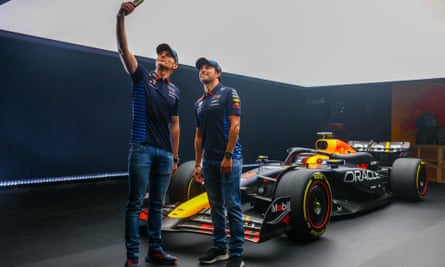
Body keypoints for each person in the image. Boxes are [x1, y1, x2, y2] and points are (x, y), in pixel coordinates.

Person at [116, 2, 180, 267]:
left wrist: (175, 157)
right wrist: (120, 16)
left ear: (175, 64)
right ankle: (132, 257)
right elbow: (123, 49)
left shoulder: (175, 91)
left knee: (157, 206)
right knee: (134, 205)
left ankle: (155, 250)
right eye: (160, 53)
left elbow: (175, 125)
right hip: (141, 148)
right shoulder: (142, 76)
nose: (162, 56)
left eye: (168, 55)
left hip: (165, 154)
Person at [193, 57, 245, 267]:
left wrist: (228, 156)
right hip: (209, 162)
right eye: (201, 69)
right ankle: (219, 248)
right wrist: (198, 164)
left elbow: (235, 126)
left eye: (208, 68)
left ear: (218, 73)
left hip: (229, 161)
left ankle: (236, 255)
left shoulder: (228, 93)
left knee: (232, 206)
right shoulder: (199, 103)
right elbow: (198, 137)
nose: (203, 70)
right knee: (215, 207)